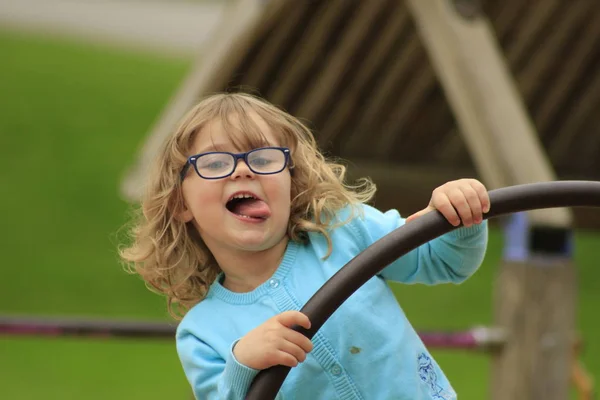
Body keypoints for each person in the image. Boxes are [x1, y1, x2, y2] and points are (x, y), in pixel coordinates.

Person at [119, 92, 489, 400]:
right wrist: (242, 363)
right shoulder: (203, 330)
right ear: (181, 205)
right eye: (215, 163)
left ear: (292, 183)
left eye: (264, 159)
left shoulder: (342, 229)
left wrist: (459, 216)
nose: (243, 170)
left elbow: (444, 262)